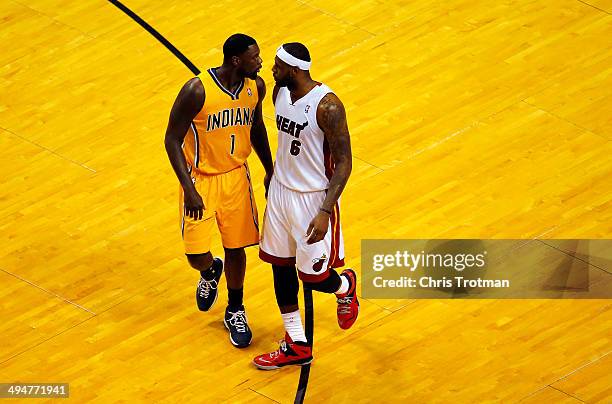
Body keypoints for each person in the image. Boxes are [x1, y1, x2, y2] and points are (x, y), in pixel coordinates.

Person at [253, 43, 358, 369]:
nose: (272, 70)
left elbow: (344, 162)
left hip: (312, 200)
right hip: (281, 194)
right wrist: (272, 173)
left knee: (314, 277)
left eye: (278, 66)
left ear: (295, 69)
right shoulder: (279, 94)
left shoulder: (327, 107)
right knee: (279, 267)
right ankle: (296, 342)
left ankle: (345, 286)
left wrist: (325, 211)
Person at [164, 33, 273, 348]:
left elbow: (256, 127)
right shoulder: (197, 90)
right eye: (255, 58)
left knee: (236, 247)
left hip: (237, 177)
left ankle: (235, 308)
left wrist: (270, 168)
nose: (261, 62)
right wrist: (189, 187)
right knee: (195, 254)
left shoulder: (256, 88)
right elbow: (171, 139)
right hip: (200, 179)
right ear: (237, 60)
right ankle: (210, 271)